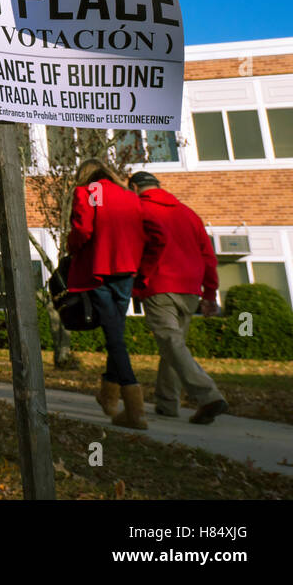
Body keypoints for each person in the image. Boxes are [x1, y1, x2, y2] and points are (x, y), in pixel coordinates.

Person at [130, 172, 229, 424]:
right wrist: (209, 293)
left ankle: (208, 395)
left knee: (171, 343)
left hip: (159, 284)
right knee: (173, 347)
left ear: (134, 186)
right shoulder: (189, 214)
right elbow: (208, 256)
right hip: (191, 290)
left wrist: (138, 280)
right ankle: (166, 404)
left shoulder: (139, 209)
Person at [66, 158, 148, 429]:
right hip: (126, 268)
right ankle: (108, 396)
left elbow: (82, 230)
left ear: (84, 176)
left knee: (114, 338)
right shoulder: (129, 196)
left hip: (99, 268)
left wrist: (72, 248)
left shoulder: (87, 193)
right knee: (116, 334)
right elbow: (141, 232)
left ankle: (135, 407)